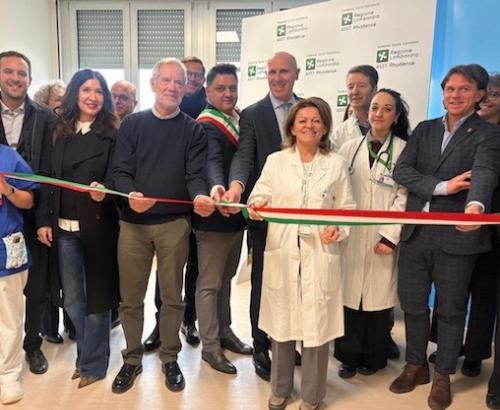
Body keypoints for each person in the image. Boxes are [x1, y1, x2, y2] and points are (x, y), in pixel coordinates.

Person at [390, 64, 500, 410]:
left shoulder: (487, 134)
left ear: (479, 94)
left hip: (457, 236)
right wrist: (442, 186)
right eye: (450, 88)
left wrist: (475, 207)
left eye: (464, 89)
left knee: (451, 311)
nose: (455, 95)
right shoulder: (424, 129)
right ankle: (415, 365)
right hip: (416, 233)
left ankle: (442, 375)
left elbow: (484, 172)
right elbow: (401, 170)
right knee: (413, 304)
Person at [111, 58, 214, 394]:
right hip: (133, 225)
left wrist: (200, 196)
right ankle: (131, 359)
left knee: (172, 297)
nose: (172, 87)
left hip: (174, 224)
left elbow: (194, 175)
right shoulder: (132, 125)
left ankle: (170, 357)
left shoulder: (193, 130)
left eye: (178, 82)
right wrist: (130, 195)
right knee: (130, 298)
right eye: (166, 80)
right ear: (153, 84)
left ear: (186, 88)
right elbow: (120, 171)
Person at [248, 97, 356, 410]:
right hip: (284, 252)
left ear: (324, 128)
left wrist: (338, 229)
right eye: (302, 121)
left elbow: (346, 208)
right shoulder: (276, 161)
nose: (309, 125)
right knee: (282, 323)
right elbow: (258, 197)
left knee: (317, 326)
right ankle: (280, 389)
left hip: (320, 252)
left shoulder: (335, 163)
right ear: (292, 128)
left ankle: (312, 395)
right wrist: (256, 206)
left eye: (316, 121)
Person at [36, 69, 120, 388]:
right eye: (86, 90)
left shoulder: (112, 133)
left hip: (98, 228)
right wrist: (44, 221)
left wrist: (106, 189)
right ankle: (87, 354)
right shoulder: (58, 131)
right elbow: (46, 179)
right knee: (72, 299)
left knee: (97, 299)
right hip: (63, 228)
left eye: (98, 91)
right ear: (75, 93)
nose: (92, 97)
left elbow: (119, 175)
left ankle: (93, 364)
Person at [224, 51, 302, 381]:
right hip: (264, 215)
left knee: (294, 282)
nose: (277, 78)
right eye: (272, 72)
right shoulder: (253, 114)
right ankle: (260, 345)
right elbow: (244, 155)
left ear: (296, 73)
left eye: (284, 71)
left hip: (301, 216)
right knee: (262, 283)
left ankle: (286, 341)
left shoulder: (307, 109)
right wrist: (237, 186)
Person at [428, 73, 500, 377]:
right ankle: (448, 345)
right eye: (485, 93)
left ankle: (474, 352)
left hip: (490, 228)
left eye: (494, 94)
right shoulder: (457, 131)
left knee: (483, 292)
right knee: (449, 291)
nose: (486, 99)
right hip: (455, 224)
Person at [334, 89, 409, 378]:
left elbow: (404, 196)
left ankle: (374, 357)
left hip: (382, 236)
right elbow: (338, 191)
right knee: (350, 297)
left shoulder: (403, 150)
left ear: (396, 116)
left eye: (387, 109)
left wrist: (390, 235)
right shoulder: (349, 148)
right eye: (375, 107)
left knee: (377, 300)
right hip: (352, 236)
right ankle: (348, 358)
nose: (379, 113)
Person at [143, 56, 207, 352]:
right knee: (166, 274)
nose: (189, 80)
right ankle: (161, 325)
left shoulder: (204, 111)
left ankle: (188, 320)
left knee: (192, 268)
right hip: (168, 214)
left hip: (197, 207)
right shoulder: (155, 114)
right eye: (186, 75)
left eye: (195, 76)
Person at [193, 63, 252, 375]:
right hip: (213, 218)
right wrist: (218, 188)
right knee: (209, 284)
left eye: (232, 88)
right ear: (208, 91)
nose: (228, 93)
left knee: (226, 278)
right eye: (220, 88)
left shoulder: (236, 118)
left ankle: (225, 331)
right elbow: (212, 161)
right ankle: (210, 346)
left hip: (235, 218)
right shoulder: (207, 124)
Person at [0, 50, 56, 375]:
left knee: (36, 287)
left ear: (30, 79)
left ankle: (32, 345)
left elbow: (48, 172)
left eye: (21, 73)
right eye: (8, 72)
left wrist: (44, 220)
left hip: (32, 213)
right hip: (1, 217)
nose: (15, 78)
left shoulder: (46, 118)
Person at [33, 79, 73, 345]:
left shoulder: (70, 131)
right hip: (43, 209)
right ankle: (48, 327)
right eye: (58, 103)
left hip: (67, 212)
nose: (63, 109)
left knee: (69, 273)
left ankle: (72, 323)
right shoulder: (40, 133)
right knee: (47, 274)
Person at [0, 147, 38, 404]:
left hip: (6, 247)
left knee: (9, 318)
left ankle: (8, 375)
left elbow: (28, 201)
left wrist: (7, 189)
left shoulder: (8, 157)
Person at [331, 65, 378, 152]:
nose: (355, 92)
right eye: (350, 87)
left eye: (361, 86)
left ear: (374, 89)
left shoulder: (390, 125)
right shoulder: (339, 134)